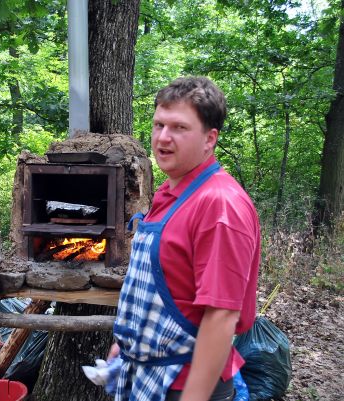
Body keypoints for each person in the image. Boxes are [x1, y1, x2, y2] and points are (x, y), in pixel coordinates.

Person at [110, 76, 260, 401]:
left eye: (179, 127)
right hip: (145, 373)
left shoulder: (220, 205)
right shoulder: (170, 190)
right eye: (158, 124)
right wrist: (122, 346)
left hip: (186, 384)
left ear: (210, 139)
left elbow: (221, 315)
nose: (163, 137)